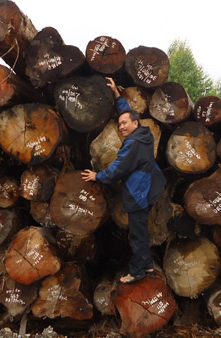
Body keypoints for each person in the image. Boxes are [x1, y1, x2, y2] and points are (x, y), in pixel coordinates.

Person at [82, 77, 166, 284]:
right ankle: (146, 263)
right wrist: (118, 97)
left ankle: (137, 271)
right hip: (151, 186)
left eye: (124, 124)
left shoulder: (132, 145)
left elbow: (117, 169)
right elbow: (127, 114)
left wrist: (97, 176)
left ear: (135, 123)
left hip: (140, 194)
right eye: (120, 124)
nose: (121, 127)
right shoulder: (144, 134)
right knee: (141, 231)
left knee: (137, 235)